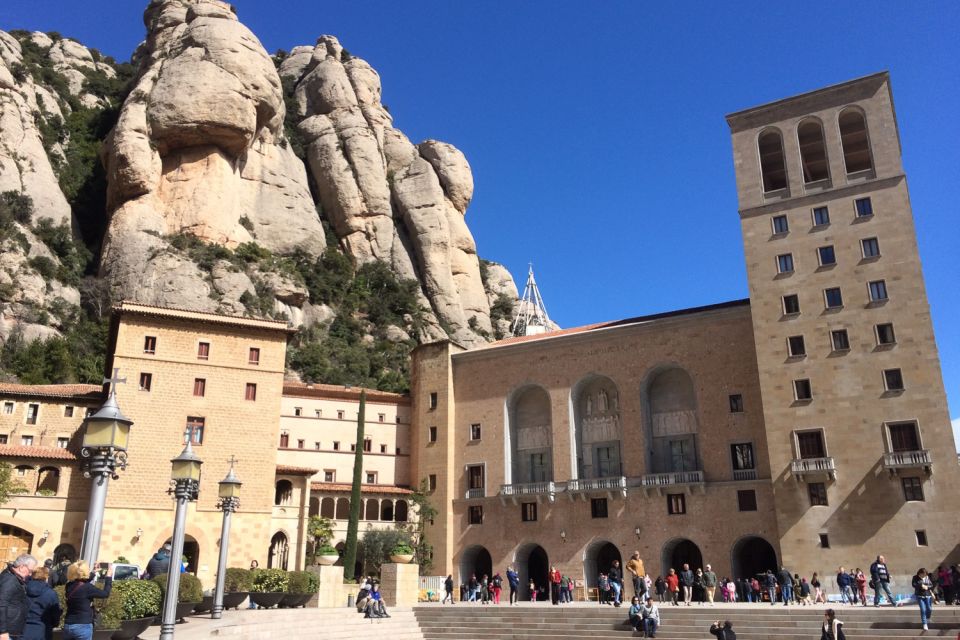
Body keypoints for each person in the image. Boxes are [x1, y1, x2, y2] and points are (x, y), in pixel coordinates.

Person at [63, 561, 113, 640]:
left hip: (68, 625)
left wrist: (93, 572)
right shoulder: (88, 588)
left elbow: (81, 582)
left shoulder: (69, 585)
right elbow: (105, 593)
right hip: (83, 626)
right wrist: (108, 577)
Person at [0, 554, 38, 640]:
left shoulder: (15, 578)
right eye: (30, 571)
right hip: (7, 633)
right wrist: (3, 631)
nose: (30, 574)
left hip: (12, 631)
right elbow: (1, 604)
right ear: (21, 567)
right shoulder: (10, 580)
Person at [24, 566, 61, 640]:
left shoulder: (23, 588)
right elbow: (55, 615)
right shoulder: (51, 593)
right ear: (46, 577)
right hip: (42, 630)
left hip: (22, 629)